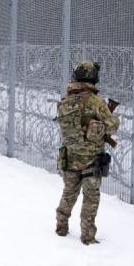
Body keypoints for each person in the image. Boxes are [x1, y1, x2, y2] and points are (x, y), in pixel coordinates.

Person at [54, 60, 120, 245]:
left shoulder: (66, 100)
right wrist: (106, 120)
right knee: (91, 198)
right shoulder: (96, 101)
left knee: (69, 193)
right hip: (92, 159)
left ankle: (61, 226)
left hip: (70, 157)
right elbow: (113, 126)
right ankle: (88, 236)